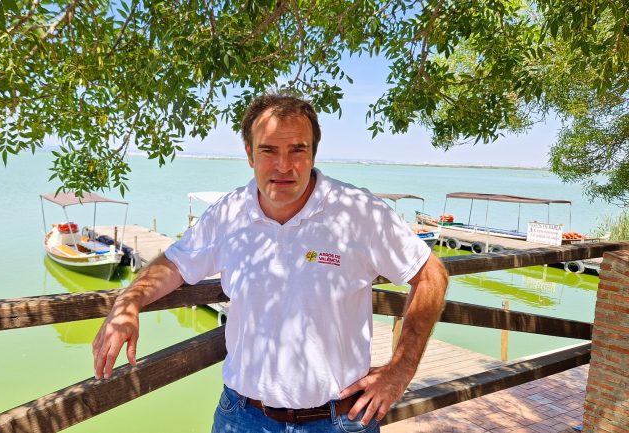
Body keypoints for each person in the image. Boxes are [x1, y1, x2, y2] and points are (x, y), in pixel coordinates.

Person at [92, 94, 449, 433]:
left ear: (313, 153)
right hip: (243, 417)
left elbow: (431, 274)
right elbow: (174, 264)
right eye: (268, 150)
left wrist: (401, 369)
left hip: (340, 419)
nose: (283, 165)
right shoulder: (228, 214)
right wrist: (129, 302)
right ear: (249, 154)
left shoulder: (358, 212)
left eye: (298, 149)